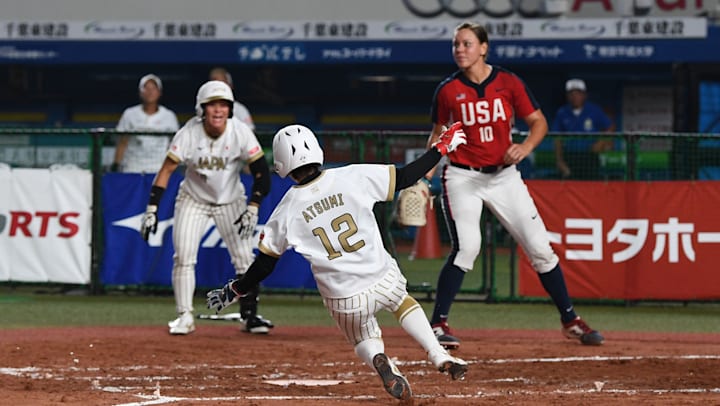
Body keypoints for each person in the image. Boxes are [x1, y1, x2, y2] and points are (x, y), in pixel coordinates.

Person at [206, 123, 469, 401]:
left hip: (344, 296)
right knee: (403, 302)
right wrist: (440, 149)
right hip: (381, 276)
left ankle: (380, 358)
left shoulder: (286, 209)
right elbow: (405, 176)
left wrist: (236, 289)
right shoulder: (352, 175)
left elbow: (264, 264)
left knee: (364, 339)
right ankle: (437, 353)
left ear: (283, 164)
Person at [424, 22, 604, 350]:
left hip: (505, 177)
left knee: (540, 249)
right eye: (456, 45)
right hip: (463, 176)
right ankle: (437, 325)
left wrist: (527, 147)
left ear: (483, 48)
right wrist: (425, 175)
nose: (460, 50)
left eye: (466, 44)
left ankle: (570, 320)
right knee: (467, 247)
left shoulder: (507, 82)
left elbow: (538, 122)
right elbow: (439, 134)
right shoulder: (448, 90)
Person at [140, 80, 273, 335]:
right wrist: (152, 209)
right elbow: (167, 170)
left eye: (224, 105)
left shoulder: (240, 132)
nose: (218, 110)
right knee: (184, 256)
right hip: (193, 199)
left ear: (230, 109)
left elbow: (261, 173)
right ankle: (185, 316)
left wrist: (253, 206)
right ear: (201, 109)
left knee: (245, 259)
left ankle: (250, 316)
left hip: (231, 200)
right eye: (212, 105)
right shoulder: (188, 133)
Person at [113, 74, 180, 173]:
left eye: (153, 88)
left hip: (159, 169)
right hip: (132, 168)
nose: (150, 92)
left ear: (159, 92)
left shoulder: (169, 116)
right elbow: (122, 142)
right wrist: (116, 165)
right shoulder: (129, 114)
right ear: (140, 92)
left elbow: (174, 146)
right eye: (146, 88)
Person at [551, 78, 615, 180]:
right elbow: (557, 138)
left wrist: (601, 142)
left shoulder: (594, 110)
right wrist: (559, 160)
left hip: (590, 156)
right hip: (570, 156)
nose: (574, 96)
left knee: (591, 186)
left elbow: (610, 127)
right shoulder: (562, 113)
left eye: (578, 93)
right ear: (567, 96)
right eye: (571, 93)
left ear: (584, 95)